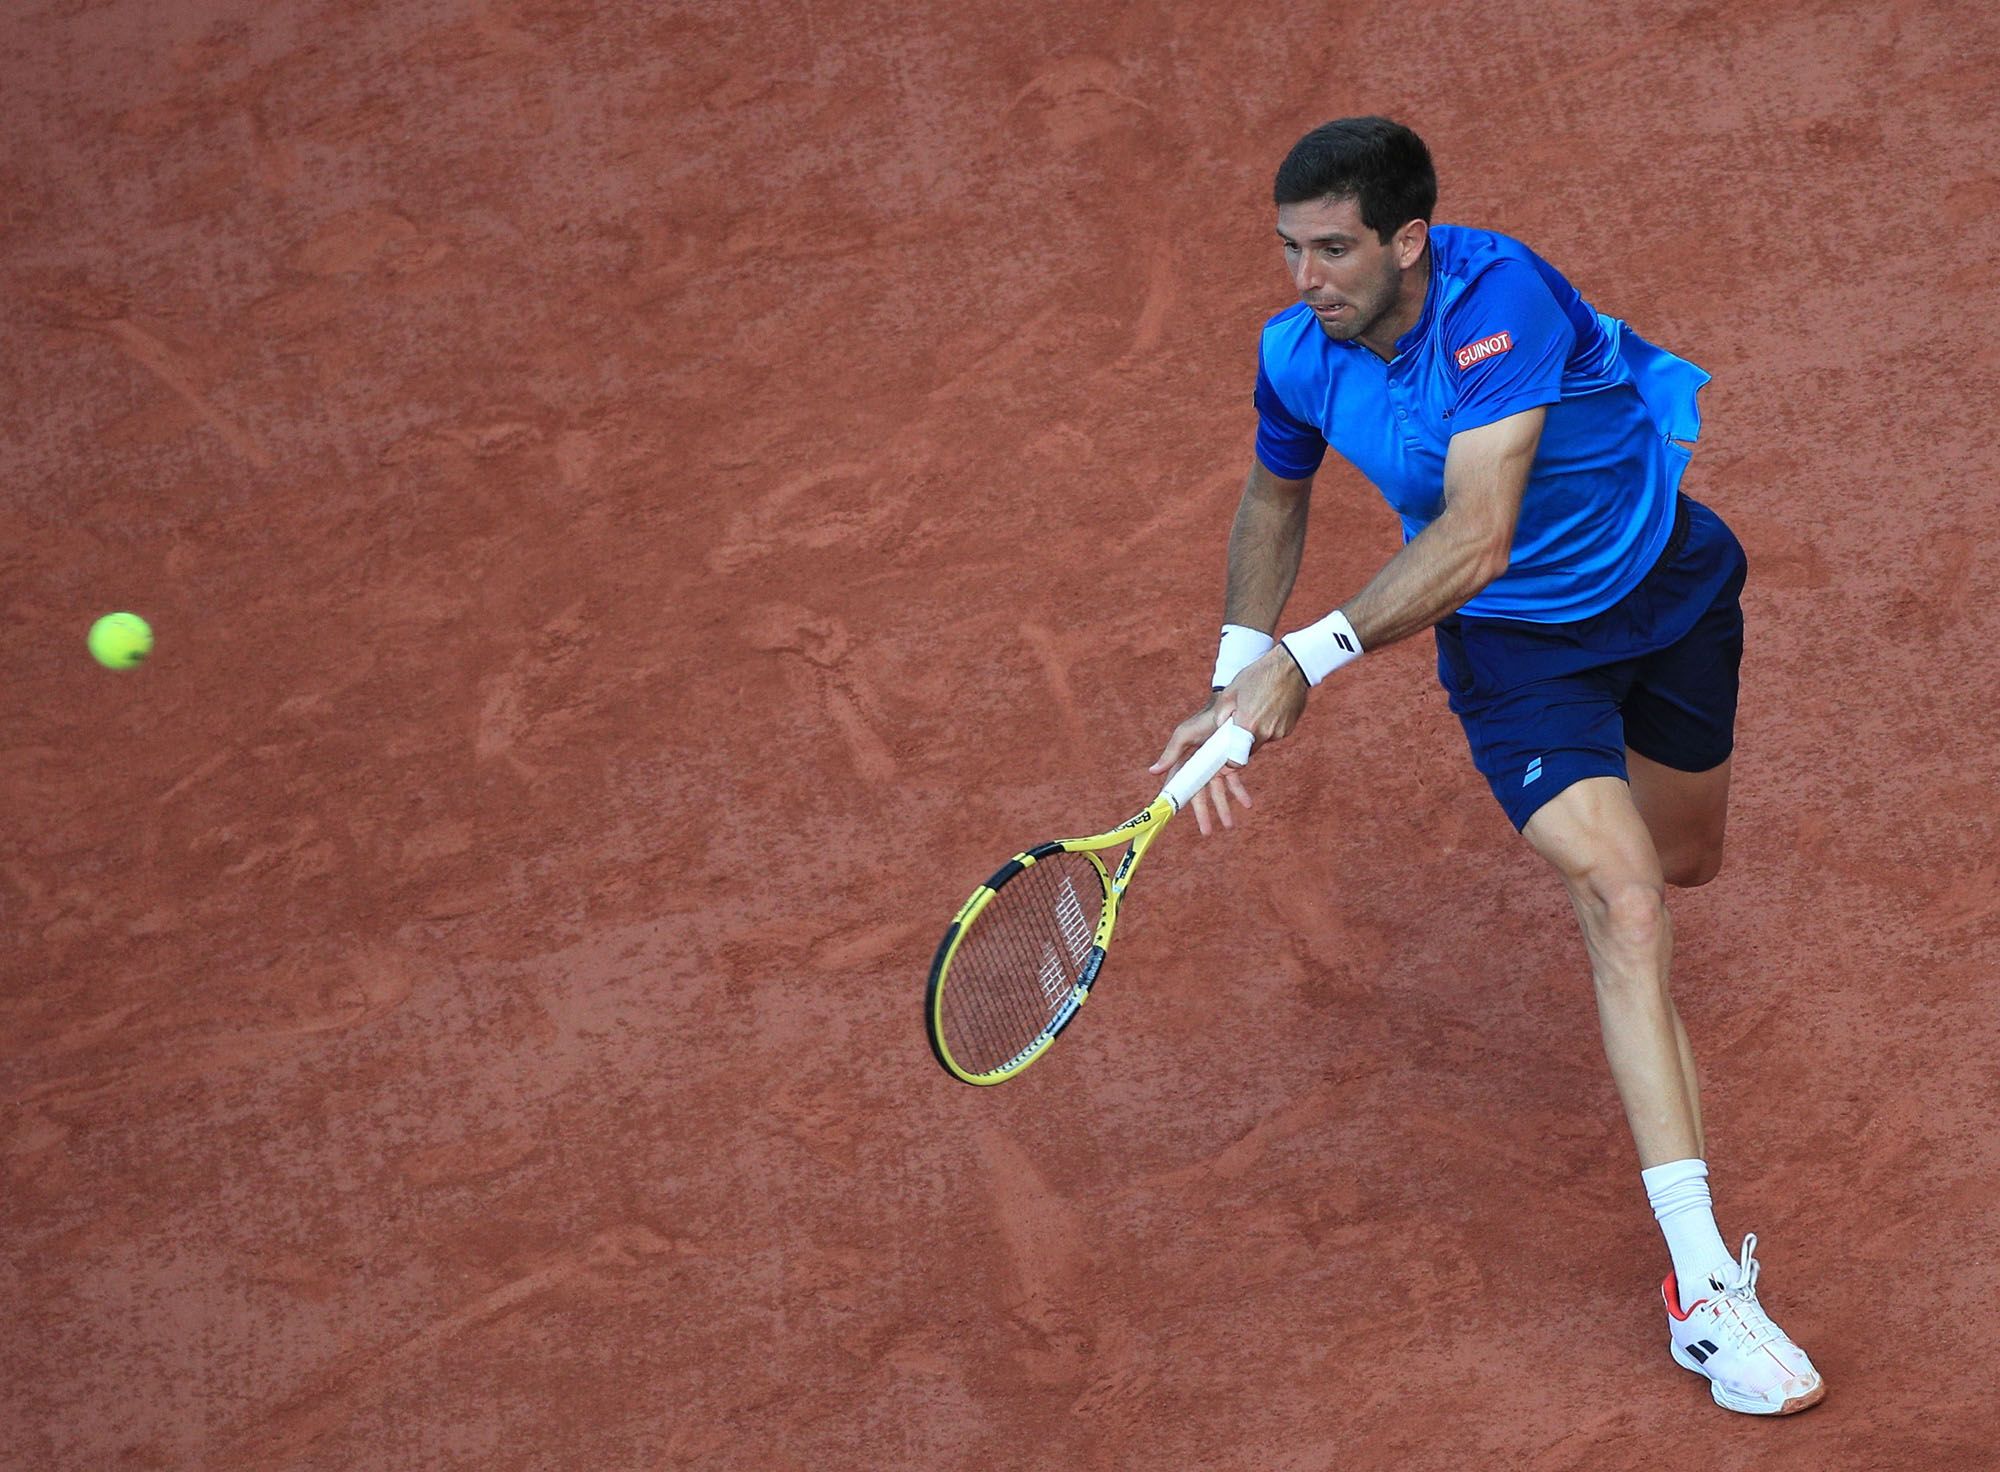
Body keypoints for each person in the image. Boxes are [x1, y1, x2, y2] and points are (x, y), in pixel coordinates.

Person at [1149, 116, 1823, 1416]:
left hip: (1671, 589)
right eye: (1291, 250)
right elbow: (1275, 497)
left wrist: (1311, 654)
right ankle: (1704, 1294)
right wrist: (1239, 672)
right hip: (1524, 667)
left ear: (1410, 240)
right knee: (1624, 903)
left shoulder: (1497, 297)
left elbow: (1480, 529)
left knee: (1681, 866)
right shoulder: (1298, 358)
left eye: (1334, 250)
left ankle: (1616, 882)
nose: (1308, 280)